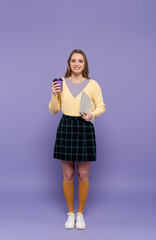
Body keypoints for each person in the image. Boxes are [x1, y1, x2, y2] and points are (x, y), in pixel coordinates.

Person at [48, 49, 106, 229]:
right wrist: (54, 94)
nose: (77, 64)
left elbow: (102, 106)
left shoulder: (93, 84)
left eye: (80, 61)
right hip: (66, 127)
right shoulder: (61, 84)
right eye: (73, 61)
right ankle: (70, 213)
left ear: (84, 64)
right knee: (68, 175)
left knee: (83, 175)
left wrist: (92, 114)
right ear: (69, 63)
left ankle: (80, 213)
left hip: (85, 127)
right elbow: (53, 110)